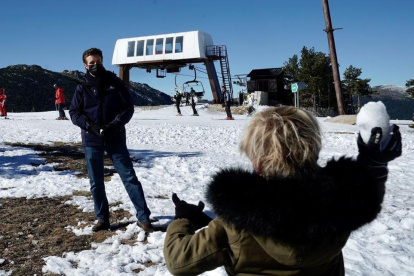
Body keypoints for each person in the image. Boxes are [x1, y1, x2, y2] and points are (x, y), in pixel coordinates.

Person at [164, 106, 402, 275]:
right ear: (313, 150)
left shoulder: (235, 222)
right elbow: (368, 191)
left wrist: (182, 219)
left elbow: (179, 262)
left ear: (256, 159)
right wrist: (375, 162)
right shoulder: (342, 204)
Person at [69, 48, 154, 233]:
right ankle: (102, 219)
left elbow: (128, 108)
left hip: (115, 138)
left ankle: (144, 218)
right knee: (96, 181)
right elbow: (74, 112)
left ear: (102, 61)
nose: (95, 65)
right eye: (91, 63)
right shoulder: (81, 86)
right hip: (92, 140)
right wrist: (89, 126)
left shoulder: (115, 83)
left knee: (129, 177)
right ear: (85, 65)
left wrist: (114, 125)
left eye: (98, 61)